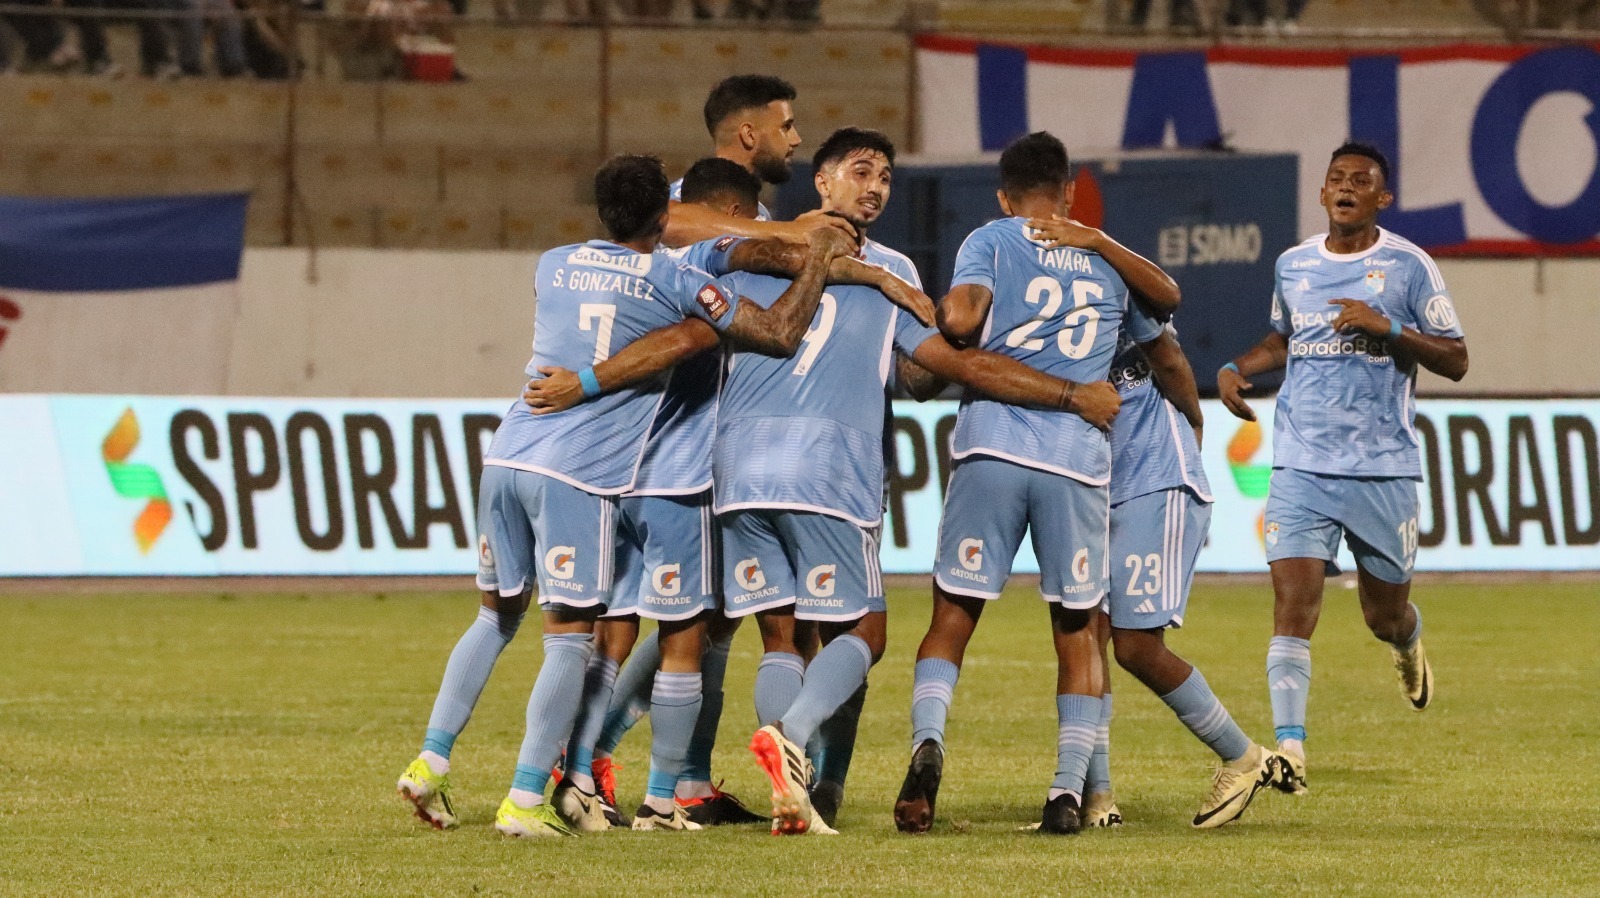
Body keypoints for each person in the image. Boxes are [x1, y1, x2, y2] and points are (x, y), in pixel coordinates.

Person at [394, 153, 850, 837]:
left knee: (494, 617)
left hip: (509, 451)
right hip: (583, 474)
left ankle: (432, 761)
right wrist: (815, 254)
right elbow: (770, 332)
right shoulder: (672, 277)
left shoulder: (551, 264)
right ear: (665, 216)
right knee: (579, 639)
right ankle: (536, 797)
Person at [524, 152, 935, 830]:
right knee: (785, 628)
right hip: (741, 467)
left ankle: (631, 771)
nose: (877, 187)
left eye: (886, 177)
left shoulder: (725, 245)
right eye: (862, 172)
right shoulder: (724, 232)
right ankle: (681, 768)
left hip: (720, 467)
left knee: (738, 626)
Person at [892, 131, 1159, 837]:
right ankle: (1067, 791)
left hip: (992, 450)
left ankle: (928, 744)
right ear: (1069, 192)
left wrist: (947, 323)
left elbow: (962, 317)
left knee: (952, 618)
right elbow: (1163, 314)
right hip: (1076, 462)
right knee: (1077, 632)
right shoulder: (1104, 261)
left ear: (1004, 195)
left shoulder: (991, 238)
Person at [1217, 141, 1468, 796]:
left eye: (1361, 180)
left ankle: (1407, 645)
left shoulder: (1410, 266)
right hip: (1300, 461)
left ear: (1383, 198)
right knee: (1292, 603)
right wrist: (1241, 366)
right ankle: (1291, 753)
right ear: (1324, 194)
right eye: (1337, 179)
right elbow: (1285, 336)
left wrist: (1387, 329)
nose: (1347, 186)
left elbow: (1456, 358)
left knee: (1382, 615)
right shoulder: (1294, 264)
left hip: (1381, 468)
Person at [1022, 213, 1287, 828]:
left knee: (1137, 646)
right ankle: (1099, 801)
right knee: (1085, 635)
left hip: (1155, 479)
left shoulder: (1104, 283)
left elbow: (1168, 354)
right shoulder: (1030, 313)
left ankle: (1242, 756)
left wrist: (1193, 426)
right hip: (1095, 487)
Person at [662, 74, 855, 248]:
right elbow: (668, 223)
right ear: (749, 135)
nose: (796, 139)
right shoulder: (685, 194)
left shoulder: (759, 213)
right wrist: (790, 231)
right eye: (786, 127)